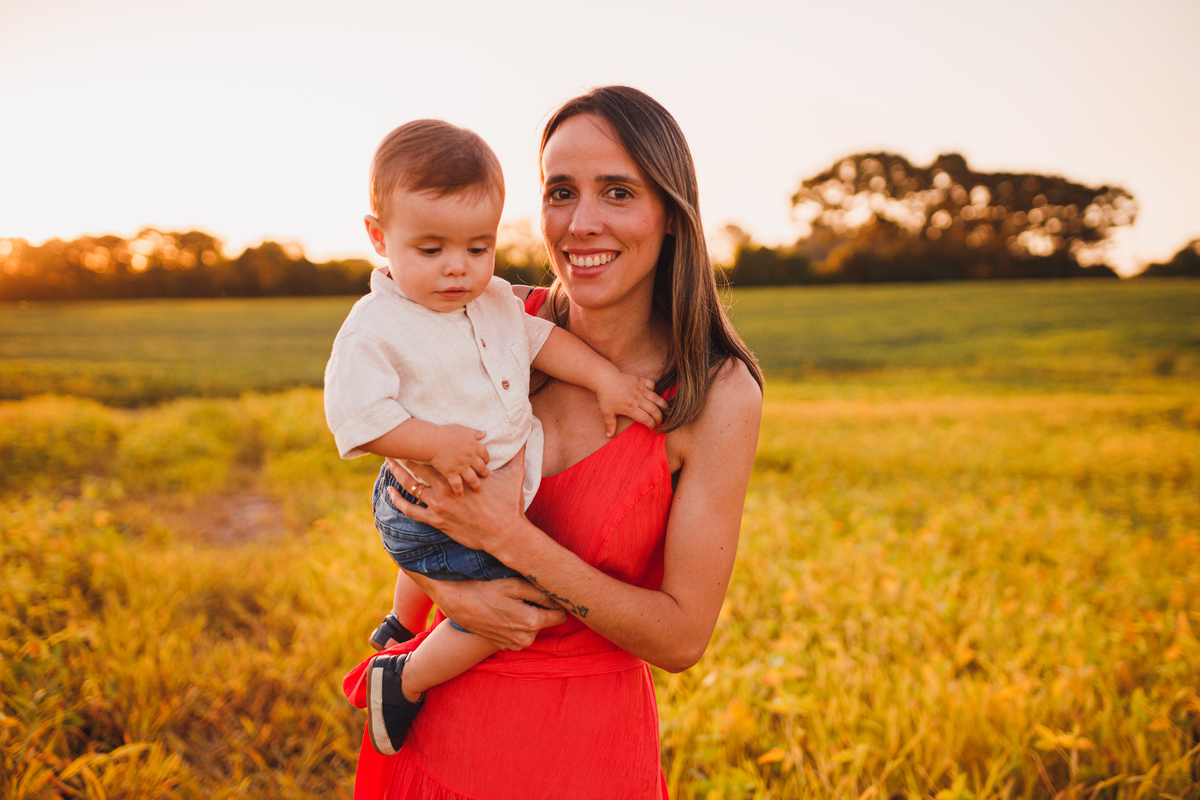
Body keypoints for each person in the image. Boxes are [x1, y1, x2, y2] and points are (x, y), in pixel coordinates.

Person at [342, 86, 764, 799]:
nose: (581, 222)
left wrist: (512, 539)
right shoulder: (492, 318)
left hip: (582, 759)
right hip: (431, 736)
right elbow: (407, 494)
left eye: (619, 192)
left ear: (670, 214)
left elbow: (681, 639)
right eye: (560, 191)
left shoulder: (716, 395)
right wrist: (448, 592)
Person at [324, 119, 668, 755]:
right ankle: (404, 676)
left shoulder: (495, 301)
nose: (459, 269)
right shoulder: (376, 326)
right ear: (379, 237)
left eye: (478, 249)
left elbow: (542, 341)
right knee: (518, 607)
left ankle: (401, 618)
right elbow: (359, 418)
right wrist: (433, 442)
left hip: (465, 484)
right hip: (431, 493)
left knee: (469, 544)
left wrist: (605, 381)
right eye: (431, 251)